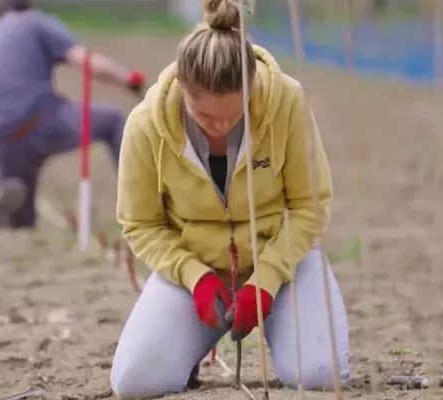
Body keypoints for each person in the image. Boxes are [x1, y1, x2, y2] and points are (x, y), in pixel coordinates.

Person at [110, 0, 349, 397]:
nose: (222, 127)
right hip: (196, 274)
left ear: (252, 89)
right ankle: (192, 337)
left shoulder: (287, 102)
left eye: (235, 114)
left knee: (320, 374)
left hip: (282, 262)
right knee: (136, 383)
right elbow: (140, 223)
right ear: (183, 91)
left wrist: (267, 280)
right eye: (206, 118)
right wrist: (194, 276)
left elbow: (309, 206)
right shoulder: (145, 125)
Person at [0, 0, 146, 230]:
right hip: (40, 121)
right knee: (113, 121)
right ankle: (143, 207)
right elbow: (86, 61)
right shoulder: (34, 23)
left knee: (23, 215)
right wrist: (130, 81)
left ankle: (14, 204)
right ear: (27, 7)